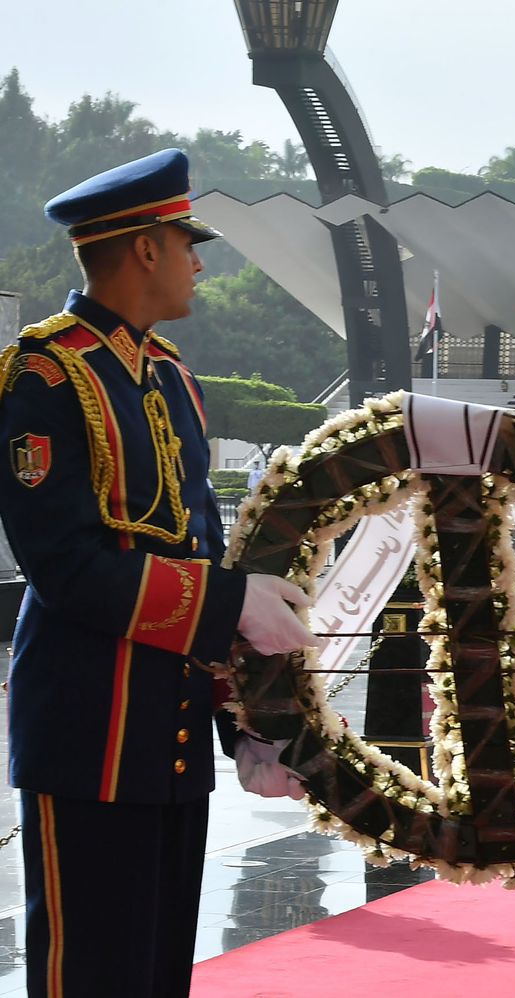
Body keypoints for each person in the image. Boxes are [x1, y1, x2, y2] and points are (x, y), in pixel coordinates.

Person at [0, 149, 315, 997]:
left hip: (166, 738)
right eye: (186, 243)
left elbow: (198, 549)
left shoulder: (171, 378)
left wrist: (242, 719)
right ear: (145, 249)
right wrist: (231, 602)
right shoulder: (46, 375)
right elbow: (64, 566)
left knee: (155, 975)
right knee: (90, 976)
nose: (198, 264)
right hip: (89, 733)